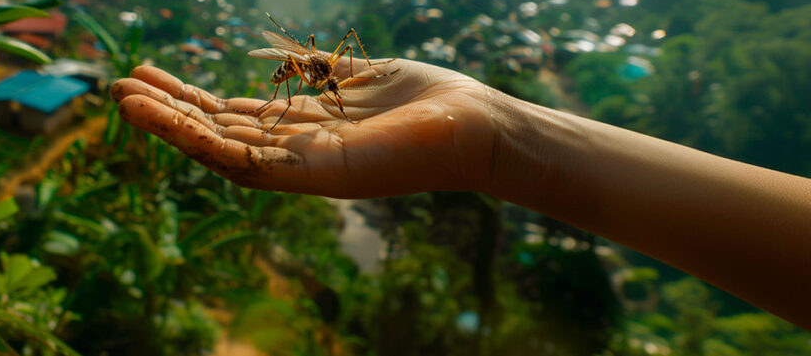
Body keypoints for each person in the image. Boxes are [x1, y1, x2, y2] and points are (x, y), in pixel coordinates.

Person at [110, 57, 811, 330]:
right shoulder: (303, 73)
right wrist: (502, 134)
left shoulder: (322, 76)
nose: (296, 72)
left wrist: (497, 131)